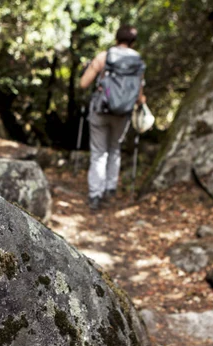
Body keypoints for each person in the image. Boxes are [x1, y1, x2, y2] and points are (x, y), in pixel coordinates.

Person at [80, 25, 146, 210]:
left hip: (101, 109)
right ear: (133, 42)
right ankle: (110, 188)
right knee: (114, 149)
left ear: (116, 38)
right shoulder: (138, 61)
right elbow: (139, 95)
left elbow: (84, 83)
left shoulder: (104, 57)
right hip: (123, 113)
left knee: (99, 152)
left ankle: (95, 194)